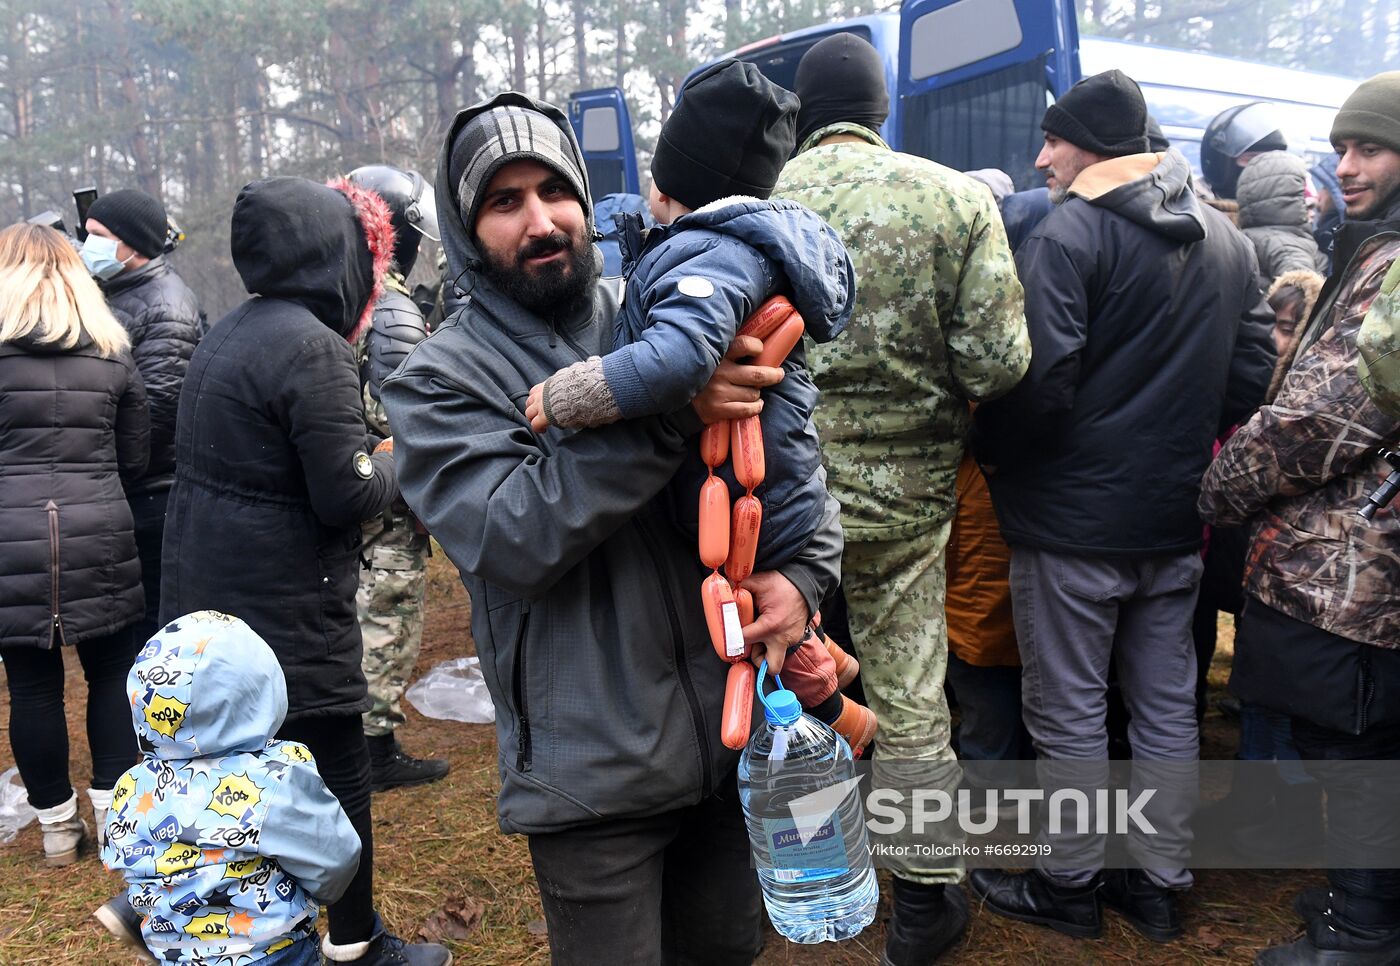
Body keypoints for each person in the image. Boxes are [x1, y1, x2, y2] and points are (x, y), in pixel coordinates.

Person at [382, 91, 843, 965]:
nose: (541, 220)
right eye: (503, 202)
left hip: (730, 738)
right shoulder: (438, 378)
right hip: (592, 782)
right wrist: (667, 411)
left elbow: (795, 454)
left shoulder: (665, 304)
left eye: (554, 191)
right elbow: (512, 535)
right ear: (465, 226)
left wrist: (805, 575)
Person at [971, 69, 1275, 943]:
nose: (1041, 157)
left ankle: (1070, 887)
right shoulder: (1226, 241)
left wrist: (999, 459)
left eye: (1053, 140)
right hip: (1175, 518)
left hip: (1070, 527)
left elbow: (1039, 384)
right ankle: (1158, 884)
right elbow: (1251, 379)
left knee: (1067, 706)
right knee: (1166, 701)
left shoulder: (1070, 236)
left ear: (1092, 147)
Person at [770, 32, 1031, 966]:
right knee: (913, 693)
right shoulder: (956, 198)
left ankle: (813, 854)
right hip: (911, 501)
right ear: (883, 111)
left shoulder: (762, 208)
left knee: (793, 677)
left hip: (786, 501)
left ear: (804, 112)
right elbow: (999, 363)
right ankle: (925, 904)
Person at [523, 60, 873, 751]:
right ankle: (833, 675)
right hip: (778, 489)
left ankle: (842, 718)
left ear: (668, 183)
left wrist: (573, 393)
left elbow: (678, 361)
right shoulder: (737, 246)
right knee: (778, 620)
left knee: (766, 623)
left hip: (760, 498)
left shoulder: (705, 256)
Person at [156, 176, 448, 965]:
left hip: (210, 588)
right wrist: (397, 460)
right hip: (286, 599)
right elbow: (344, 495)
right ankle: (359, 944)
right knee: (339, 764)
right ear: (334, 254)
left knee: (227, 764)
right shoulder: (312, 345)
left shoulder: (234, 330)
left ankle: (178, 912)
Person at [1200, 71, 1400, 966]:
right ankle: (1364, 899)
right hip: (1357, 551)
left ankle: (1365, 929)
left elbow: (1323, 417)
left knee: (1357, 742)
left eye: (1371, 148)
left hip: (1364, 559)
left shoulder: (1391, 265)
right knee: (1356, 735)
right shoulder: (1371, 243)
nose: (1346, 166)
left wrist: (1221, 487)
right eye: (1344, 147)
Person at [0, 222, 149, 865]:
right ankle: (119, 827)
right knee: (111, 674)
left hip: (9, 542)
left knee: (32, 688)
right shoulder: (112, 352)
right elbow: (136, 455)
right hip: (101, 533)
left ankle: (59, 828)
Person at [97, 611, 362, 965]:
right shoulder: (273, 778)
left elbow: (120, 857)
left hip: (176, 954)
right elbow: (334, 859)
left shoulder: (132, 785)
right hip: (270, 951)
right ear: (261, 688)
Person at [344, 164, 451, 792]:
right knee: (387, 611)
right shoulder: (392, 309)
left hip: (356, 482)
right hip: (385, 493)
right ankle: (373, 751)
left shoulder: (352, 295)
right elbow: (402, 416)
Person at [81, 188, 203, 646]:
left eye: (97, 235)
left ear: (132, 245)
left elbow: (156, 413)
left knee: (149, 630)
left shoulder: (165, 306)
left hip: (154, 496)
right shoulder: (118, 293)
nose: (85, 243)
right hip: (126, 493)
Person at [1235, 151, 1329, 283]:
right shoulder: (1287, 247)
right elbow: (1301, 295)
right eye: (1307, 207)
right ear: (1289, 204)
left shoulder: (1249, 238)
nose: (1313, 213)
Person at [1201, 101, 1290, 200]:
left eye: (1271, 159)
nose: (1263, 166)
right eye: (1252, 159)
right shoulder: (1193, 207)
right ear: (1221, 165)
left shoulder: (1283, 206)